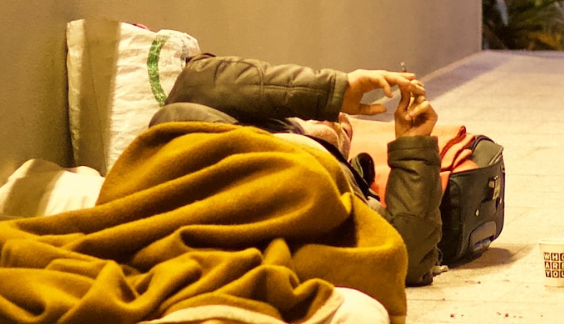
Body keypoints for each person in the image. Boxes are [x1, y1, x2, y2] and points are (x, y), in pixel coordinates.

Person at [148, 54, 445, 286]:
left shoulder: (346, 188)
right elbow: (195, 82)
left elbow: (407, 255)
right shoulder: (214, 121)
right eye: (334, 116)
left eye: (345, 131)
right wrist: (334, 91)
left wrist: (413, 144)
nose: (339, 122)